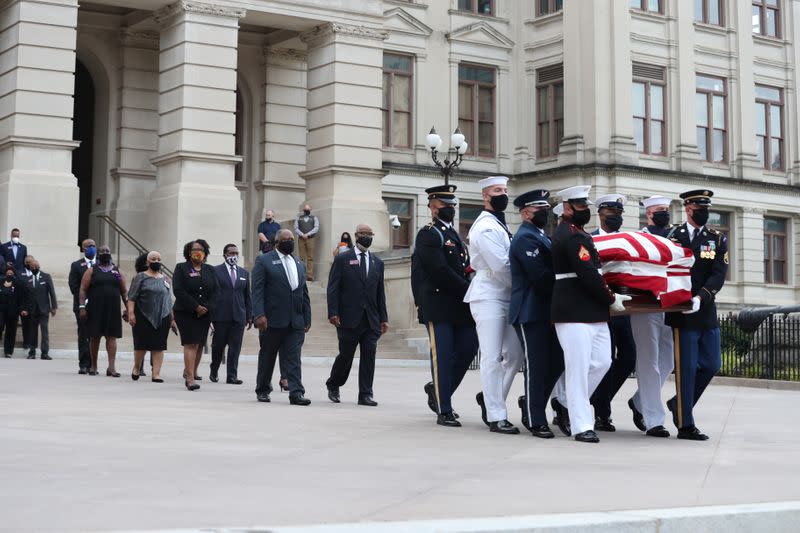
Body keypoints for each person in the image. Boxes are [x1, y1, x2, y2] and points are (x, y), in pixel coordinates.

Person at [551, 185, 630, 443]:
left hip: (592, 310)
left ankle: (563, 401)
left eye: (586, 206)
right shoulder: (570, 235)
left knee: (602, 363)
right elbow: (587, 274)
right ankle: (581, 424)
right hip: (574, 310)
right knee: (578, 367)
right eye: (580, 206)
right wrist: (610, 298)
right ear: (566, 208)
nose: (585, 210)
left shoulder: (580, 234)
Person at [664, 189, 728, 441]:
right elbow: (665, 268)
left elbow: (718, 272)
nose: (704, 212)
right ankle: (685, 424)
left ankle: (678, 403)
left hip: (705, 308)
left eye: (706, 208)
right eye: (699, 208)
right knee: (687, 368)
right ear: (688, 209)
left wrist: (701, 297)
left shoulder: (716, 238)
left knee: (712, 364)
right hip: (681, 312)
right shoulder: (673, 236)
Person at [412, 185, 478, 427]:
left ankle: (438, 390)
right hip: (439, 305)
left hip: (460, 305)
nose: (450, 209)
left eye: (452, 205)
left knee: (469, 349)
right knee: (442, 356)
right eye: (444, 205)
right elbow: (439, 271)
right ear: (432, 207)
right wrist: (468, 289)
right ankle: (444, 408)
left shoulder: (454, 236)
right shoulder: (429, 234)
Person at [464, 176, 524, 435]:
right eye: (497, 190)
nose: (503, 194)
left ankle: (492, 398)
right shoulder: (486, 227)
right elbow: (501, 266)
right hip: (489, 294)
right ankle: (497, 414)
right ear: (485, 196)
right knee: (491, 356)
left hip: (505, 295)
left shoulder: (499, 224)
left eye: (504, 190)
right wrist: (524, 286)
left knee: (515, 354)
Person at [509, 189, 563, 439]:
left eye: (546, 208)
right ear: (525, 213)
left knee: (556, 362)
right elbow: (540, 277)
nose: (545, 212)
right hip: (530, 311)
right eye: (539, 209)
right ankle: (535, 419)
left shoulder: (542, 236)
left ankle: (533, 402)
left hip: (546, 310)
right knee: (537, 366)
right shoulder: (525, 238)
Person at [588, 195, 638, 433]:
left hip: (623, 308)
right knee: (603, 360)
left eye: (619, 213)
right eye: (611, 214)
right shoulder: (590, 239)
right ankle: (602, 414)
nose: (616, 217)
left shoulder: (627, 241)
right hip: (599, 306)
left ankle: (600, 400)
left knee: (629, 358)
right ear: (600, 214)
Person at [627, 195, 675, 438]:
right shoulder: (639, 239)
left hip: (672, 304)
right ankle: (653, 420)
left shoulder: (675, 237)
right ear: (648, 214)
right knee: (649, 362)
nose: (664, 214)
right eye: (659, 210)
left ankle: (639, 400)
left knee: (669, 361)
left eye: (666, 209)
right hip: (645, 305)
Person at [325, 224, 388, 406]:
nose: (367, 237)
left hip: (371, 319)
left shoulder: (378, 262)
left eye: (370, 234)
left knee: (369, 356)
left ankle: (365, 394)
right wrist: (333, 312)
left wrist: (384, 318)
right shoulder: (343, 259)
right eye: (363, 234)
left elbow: (380, 293)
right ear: (356, 235)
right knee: (346, 356)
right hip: (348, 318)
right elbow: (333, 288)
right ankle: (334, 384)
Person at [252, 229, 312, 405]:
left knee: (294, 358)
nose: (290, 241)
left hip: (295, 321)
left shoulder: (298, 262)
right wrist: (259, 314)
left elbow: (303, 292)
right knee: (268, 356)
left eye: (292, 239)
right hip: (271, 320)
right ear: (277, 242)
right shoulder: (264, 260)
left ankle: (296, 393)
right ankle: (263, 389)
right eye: (286, 239)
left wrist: (307, 317)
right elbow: (257, 290)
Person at [172, 239, 218, 391]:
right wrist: (195, 306)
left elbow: (216, 291)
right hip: (186, 312)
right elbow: (178, 290)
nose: (197, 252)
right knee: (190, 343)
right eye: (194, 249)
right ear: (188, 252)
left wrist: (207, 307)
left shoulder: (210, 270)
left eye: (201, 249)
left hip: (205, 314)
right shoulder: (181, 268)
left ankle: (190, 370)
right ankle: (190, 378)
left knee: (199, 344)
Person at [78, 245, 128, 377]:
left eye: (107, 251)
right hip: (95, 309)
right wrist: (82, 307)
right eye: (102, 251)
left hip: (113, 309)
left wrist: (129, 309)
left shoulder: (117, 271)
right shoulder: (91, 271)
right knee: (94, 337)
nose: (105, 253)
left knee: (111, 337)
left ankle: (111, 367)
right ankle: (93, 366)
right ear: (98, 255)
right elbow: (83, 289)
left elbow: (124, 291)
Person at [127, 251, 174, 383]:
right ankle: (137, 367)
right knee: (141, 345)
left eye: (158, 259)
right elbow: (132, 297)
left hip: (163, 316)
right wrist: (131, 313)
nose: (156, 261)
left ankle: (156, 374)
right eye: (153, 259)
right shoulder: (140, 277)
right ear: (147, 262)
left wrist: (172, 318)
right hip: (143, 315)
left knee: (159, 346)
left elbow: (168, 300)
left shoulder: (165, 279)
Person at [210, 244, 252, 384]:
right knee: (218, 347)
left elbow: (247, 296)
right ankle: (214, 370)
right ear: (225, 255)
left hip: (238, 316)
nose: (234, 255)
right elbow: (211, 294)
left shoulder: (244, 273)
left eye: (236, 253)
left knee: (235, 348)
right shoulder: (215, 271)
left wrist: (249, 315)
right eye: (231, 253)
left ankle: (232, 376)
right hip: (221, 316)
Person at [69, 239, 97, 374]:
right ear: (83, 249)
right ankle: (84, 364)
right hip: (82, 306)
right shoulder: (76, 265)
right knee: (84, 335)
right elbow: (73, 286)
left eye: (93, 245)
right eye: (88, 246)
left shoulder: (102, 264)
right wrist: (84, 300)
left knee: (95, 336)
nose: (91, 248)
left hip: (98, 306)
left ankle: (93, 365)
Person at [24, 259, 57, 360]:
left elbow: (52, 292)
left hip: (44, 309)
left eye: (35, 267)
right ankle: (32, 352)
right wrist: (25, 308)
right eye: (31, 267)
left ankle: (45, 353)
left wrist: (54, 307)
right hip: (32, 310)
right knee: (33, 332)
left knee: (44, 331)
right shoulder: (28, 279)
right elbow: (25, 296)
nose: (33, 268)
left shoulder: (46, 277)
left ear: (39, 267)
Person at [1, 265, 30, 357]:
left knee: (11, 332)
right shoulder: (0, 282)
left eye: (11, 272)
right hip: (1, 310)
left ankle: (8, 351)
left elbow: (23, 298)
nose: (9, 273)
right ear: (5, 273)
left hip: (13, 311)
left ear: (14, 273)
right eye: (8, 272)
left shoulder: (19, 283)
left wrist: (23, 309)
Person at [294, 203, 319, 281]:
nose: (306, 210)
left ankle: (309, 275)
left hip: (311, 238)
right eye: (305, 209)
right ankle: (301, 274)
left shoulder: (314, 218)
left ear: (310, 210)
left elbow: (316, 227)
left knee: (310, 257)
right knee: (301, 257)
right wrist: (302, 234)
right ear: (303, 210)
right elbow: (296, 228)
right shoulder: (298, 218)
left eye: (308, 209)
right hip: (301, 239)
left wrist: (308, 234)